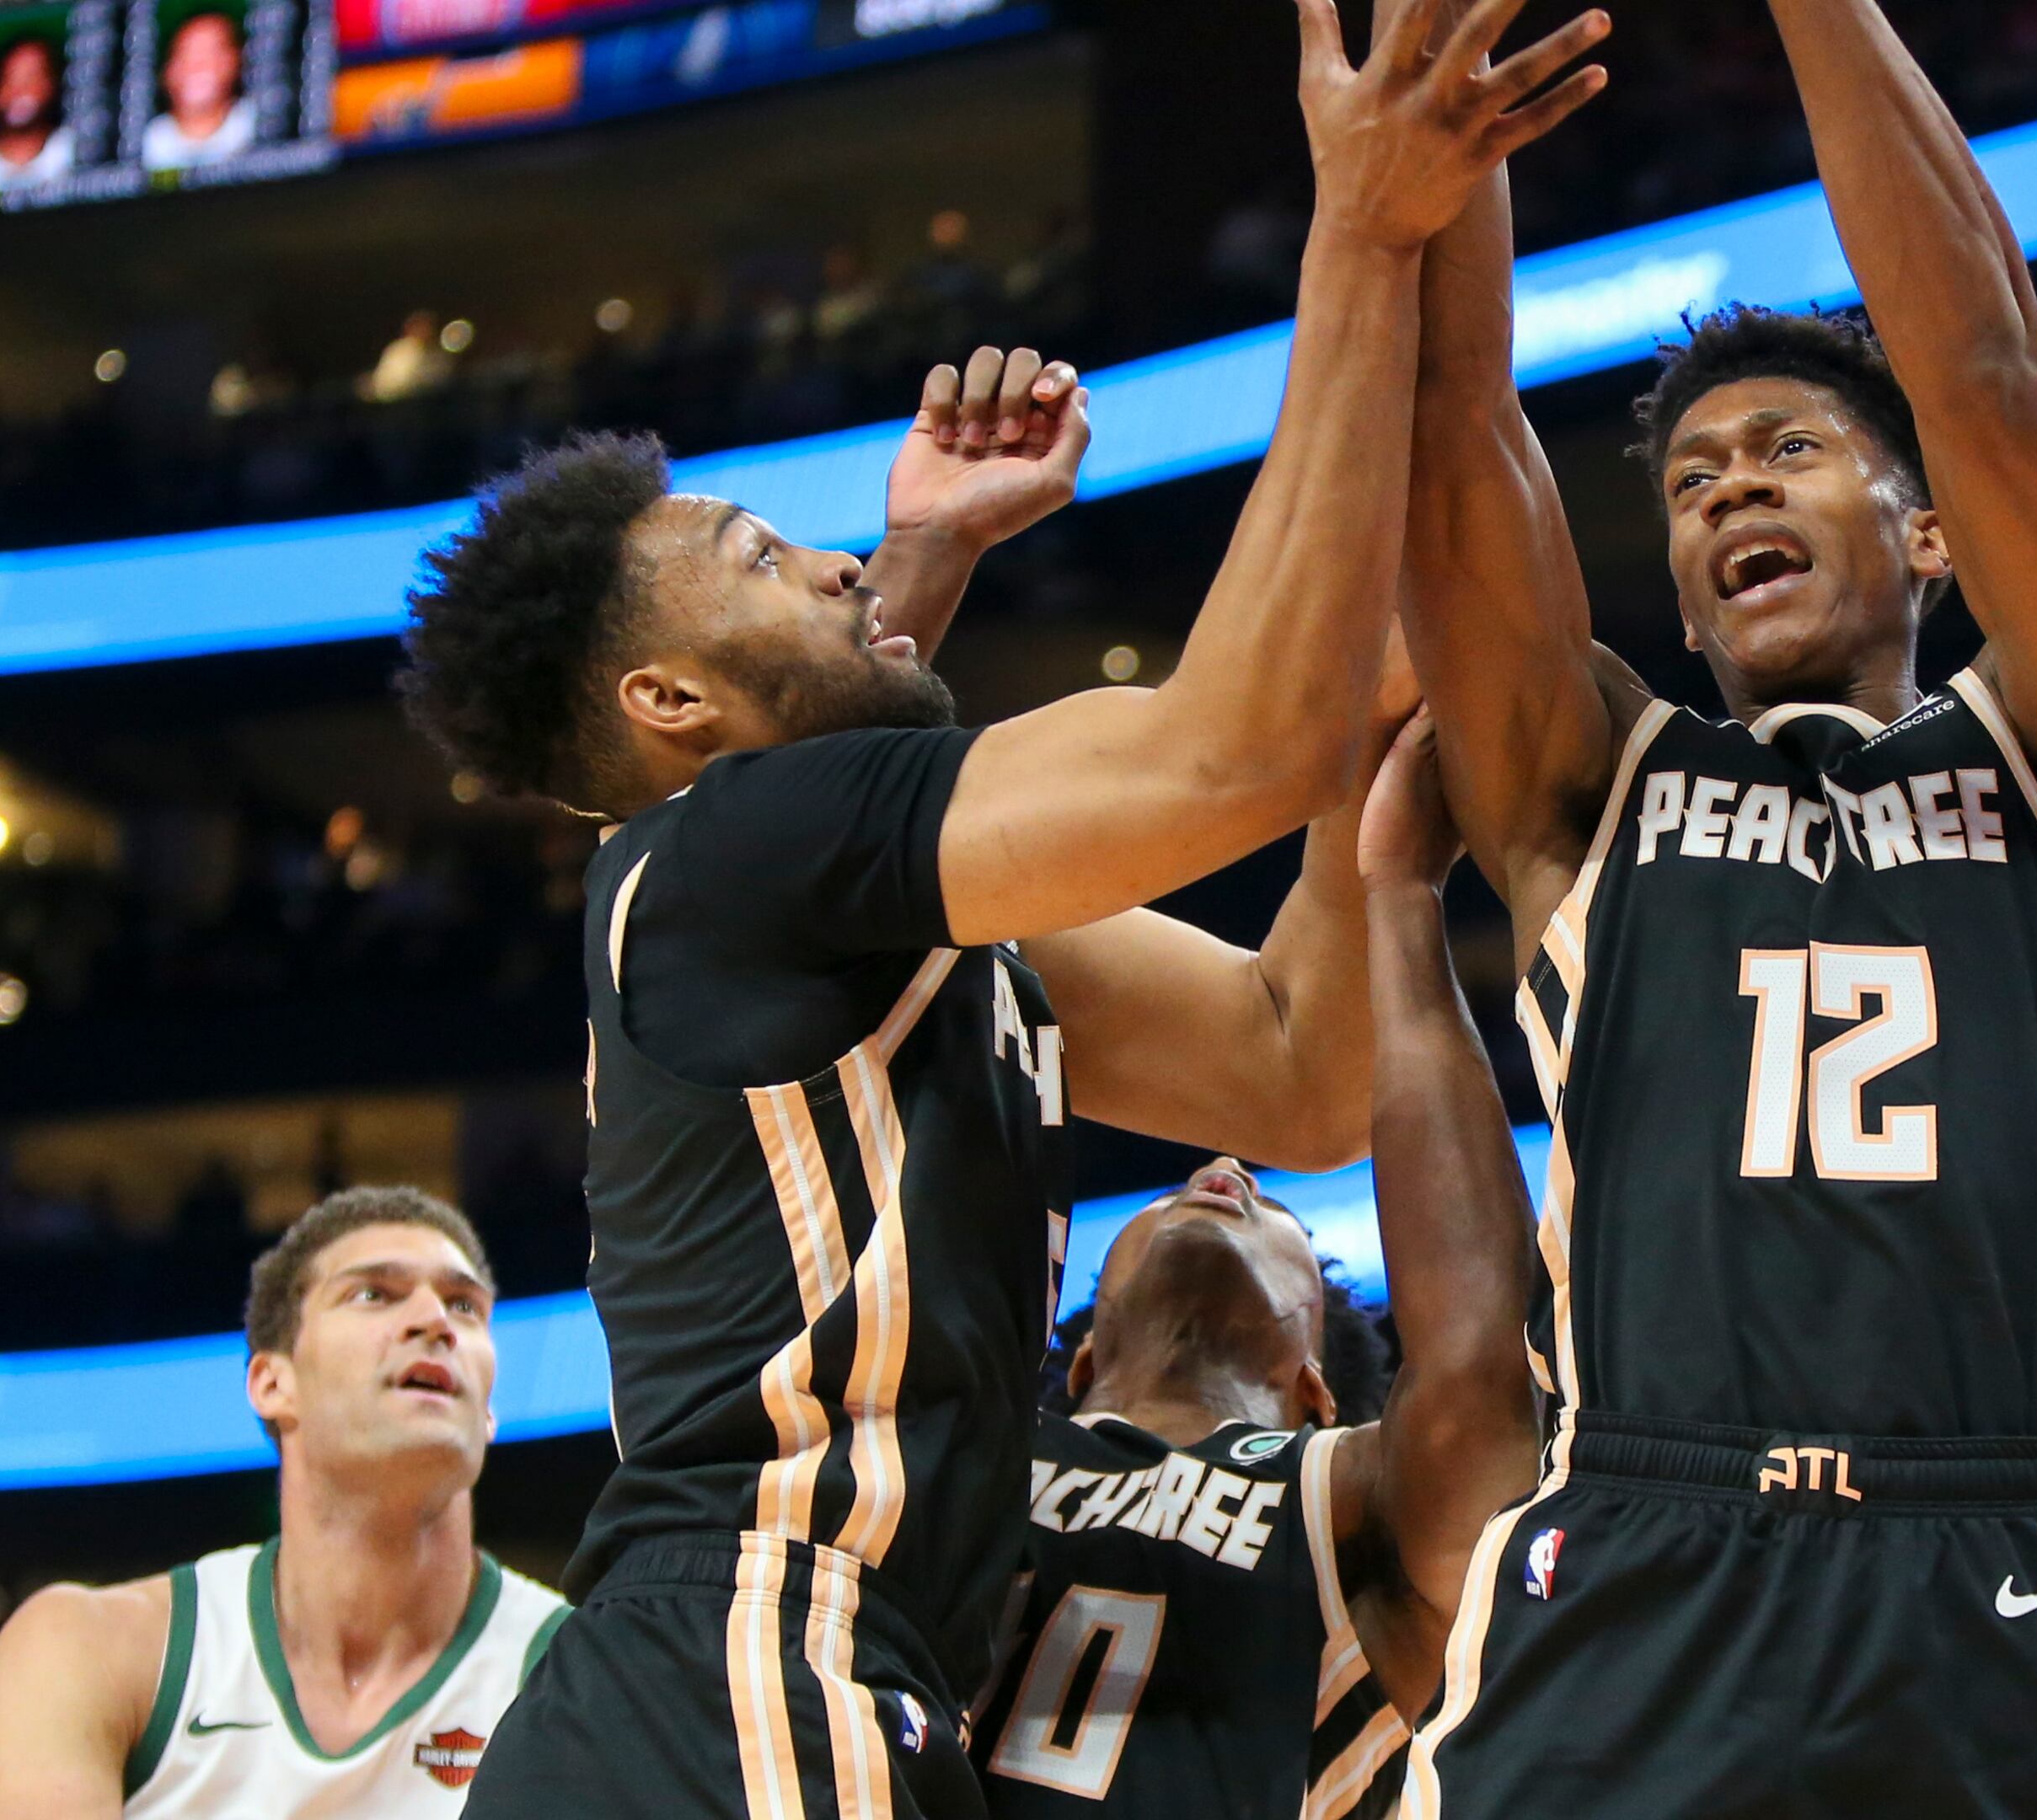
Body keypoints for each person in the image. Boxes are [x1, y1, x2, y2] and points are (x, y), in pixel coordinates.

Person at [393, 2, 1605, 1813]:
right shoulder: (722, 850)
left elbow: (1292, 1074)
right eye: (758, 555)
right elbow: (1230, 749)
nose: (825, 556)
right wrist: (1355, 228)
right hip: (748, 1669)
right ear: (668, 712)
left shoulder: (827, 921)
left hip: (806, 1687)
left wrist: (1374, 785)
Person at [1388, 0, 2037, 1812]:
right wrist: (1428, 121)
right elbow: (1452, 435)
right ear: (1680, 599)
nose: (1731, 484)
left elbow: (1985, 374)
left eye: (1791, 453)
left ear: (1930, 538)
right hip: (1634, 1519)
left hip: (1973, 1539)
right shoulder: (1596, 785)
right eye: (1692, 485)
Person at [971, 717, 1543, 1819]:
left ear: (1312, 1391)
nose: (1225, 1167)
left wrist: (1404, 907)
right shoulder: (967, 1444)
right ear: (1081, 1361)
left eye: (1275, 1210)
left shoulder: (1354, 1504)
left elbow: (1476, 1369)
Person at [0, 1188, 567, 1817]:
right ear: (273, 1383)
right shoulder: (90, 1650)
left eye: (465, 1306)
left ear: (490, 1410)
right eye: (373, 1294)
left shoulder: (583, 1674)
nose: (435, 1322)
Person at [142, 9, 254, 172]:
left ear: (236, 60)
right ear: (167, 71)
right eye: (186, 54)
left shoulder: (255, 126)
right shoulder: (149, 143)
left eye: (212, 53)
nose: (197, 66)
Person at [0, 35, 72, 195]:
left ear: (52, 84)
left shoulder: (70, 148)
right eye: (10, 79)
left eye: (32, 78)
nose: (20, 91)